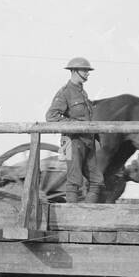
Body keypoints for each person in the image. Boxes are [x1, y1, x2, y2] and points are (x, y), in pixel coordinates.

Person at [47, 57, 102, 203]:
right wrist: (75, 124)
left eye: (88, 70)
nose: (88, 73)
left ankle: (87, 213)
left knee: (97, 180)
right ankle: (72, 215)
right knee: (74, 180)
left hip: (86, 141)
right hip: (69, 141)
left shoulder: (82, 93)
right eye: (85, 70)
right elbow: (51, 116)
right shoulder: (65, 92)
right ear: (74, 71)